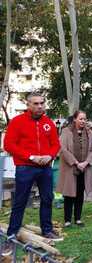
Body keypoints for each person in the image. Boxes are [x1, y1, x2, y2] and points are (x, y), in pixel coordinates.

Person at [1, 93, 61, 256]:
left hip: (45, 167)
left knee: (47, 198)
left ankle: (47, 230)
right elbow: (9, 145)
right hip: (25, 167)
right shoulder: (17, 122)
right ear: (28, 105)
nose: (40, 106)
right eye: (35, 103)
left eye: (42, 103)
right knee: (20, 201)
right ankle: (11, 236)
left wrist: (50, 155)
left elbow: (56, 144)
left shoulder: (48, 123)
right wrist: (31, 156)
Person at [56, 110, 92, 227]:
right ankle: (67, 220)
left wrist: (86, 162)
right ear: (74, 119)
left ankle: (78, 218)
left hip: (84, 169)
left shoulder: (89, 133)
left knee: (79, 193)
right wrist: (76, 162)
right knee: (69, 194)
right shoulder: (66, 131)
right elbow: (63, 149)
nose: (83, 121)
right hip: (70, 169)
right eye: (80, 119)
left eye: (84, 119)